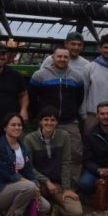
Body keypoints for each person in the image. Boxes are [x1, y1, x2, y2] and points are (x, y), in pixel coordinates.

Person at [28, 46, 86, 184]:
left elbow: (79, 98)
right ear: (53, 57)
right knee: (43, 153)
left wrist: (70, 111)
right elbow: (32, 97)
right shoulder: (40, 75)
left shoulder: (76, 77)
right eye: (59, 56)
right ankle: (44, 185)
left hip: (69, 121)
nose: (62, 59)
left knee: (75, 154)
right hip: (47, 122)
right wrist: (40, 116)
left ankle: (71, 185)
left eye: (66, 57)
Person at [24, 106, 83, 216]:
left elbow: (66, 162)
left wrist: (66, 188)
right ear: (40, 121)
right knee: (30, 206)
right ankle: (48, 207)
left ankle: (56, 208)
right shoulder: (29, 139)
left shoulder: (64, 136)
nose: (49, 123)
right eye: (46, 119)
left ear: (57, 122)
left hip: (57, 183)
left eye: (53, 120)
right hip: (39, 183)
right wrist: (46, 181)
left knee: (76, 211)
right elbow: (28, 167)